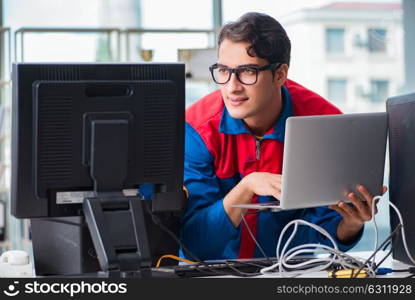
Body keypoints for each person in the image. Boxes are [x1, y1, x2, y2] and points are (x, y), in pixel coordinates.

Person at [181, 12, 385, 260]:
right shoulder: (196, 128)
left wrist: (351, 224)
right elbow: (195, 242)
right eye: (224, 70)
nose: (232, 86)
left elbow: (328, 229)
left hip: (291, 271)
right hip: (213, 275)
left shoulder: (321, 122)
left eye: (247, 72)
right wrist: (246, 187)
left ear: (280, 74)